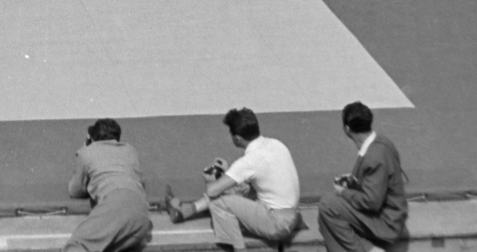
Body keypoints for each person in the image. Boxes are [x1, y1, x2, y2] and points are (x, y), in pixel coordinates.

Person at [162, 107, 300, 251]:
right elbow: (256, 174)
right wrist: (229, 172)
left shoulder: (249, 161)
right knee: (241, 188)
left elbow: (212, 191)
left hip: (276, 223)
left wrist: (210, 180)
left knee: (219, 203)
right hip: (291, 215)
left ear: (236, 138)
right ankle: (185, 211)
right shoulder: (276, 144)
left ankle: (238, 248)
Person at [316, 101, 406, 252]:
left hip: (387, 221)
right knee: (325, 219)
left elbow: (371, 202)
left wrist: (343, 192)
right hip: (387, 213)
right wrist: (353, 181)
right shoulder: (381, 143)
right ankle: (368, 248)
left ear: (347, 128)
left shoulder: (375, 156)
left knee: (327, 205)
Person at [66, 118, 153, 252]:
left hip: (116, 205)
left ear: (92, 137)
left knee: (77, 245)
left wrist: (85, 149)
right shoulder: (130, 150)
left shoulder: (86, 152)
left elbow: (75, 190)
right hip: (141, 216)